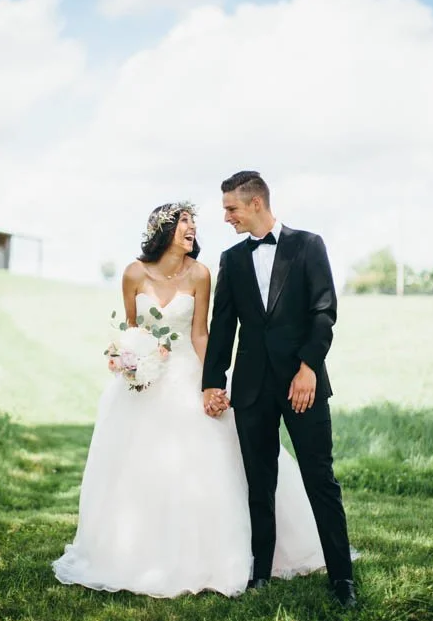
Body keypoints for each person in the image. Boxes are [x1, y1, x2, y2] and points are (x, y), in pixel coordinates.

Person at [52, 201, 329, 597]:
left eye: (193, 223)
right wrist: (127, 358)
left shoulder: (201, 274)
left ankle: (227, 554)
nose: (193, 229)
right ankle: (134, 552)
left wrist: (213, 383)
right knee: (136, 465)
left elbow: (201, 332)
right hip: (142, 384)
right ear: (164, 229)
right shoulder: (133, 273)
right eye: (185, 222)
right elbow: (132, 329)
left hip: (186, 372)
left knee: (213, 454)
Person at [202, 172, 356, 607]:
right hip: (251, 389)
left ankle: (342, 579)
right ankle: (261, 574)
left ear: (255, 204)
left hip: (302, 384)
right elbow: (222, 328)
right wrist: (213, 382)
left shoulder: (308, 246)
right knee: (259, 483)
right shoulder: (231, 260)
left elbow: (324, 311)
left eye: (231, 208)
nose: (226, 217)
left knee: (319, 479)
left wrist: (309, 367)